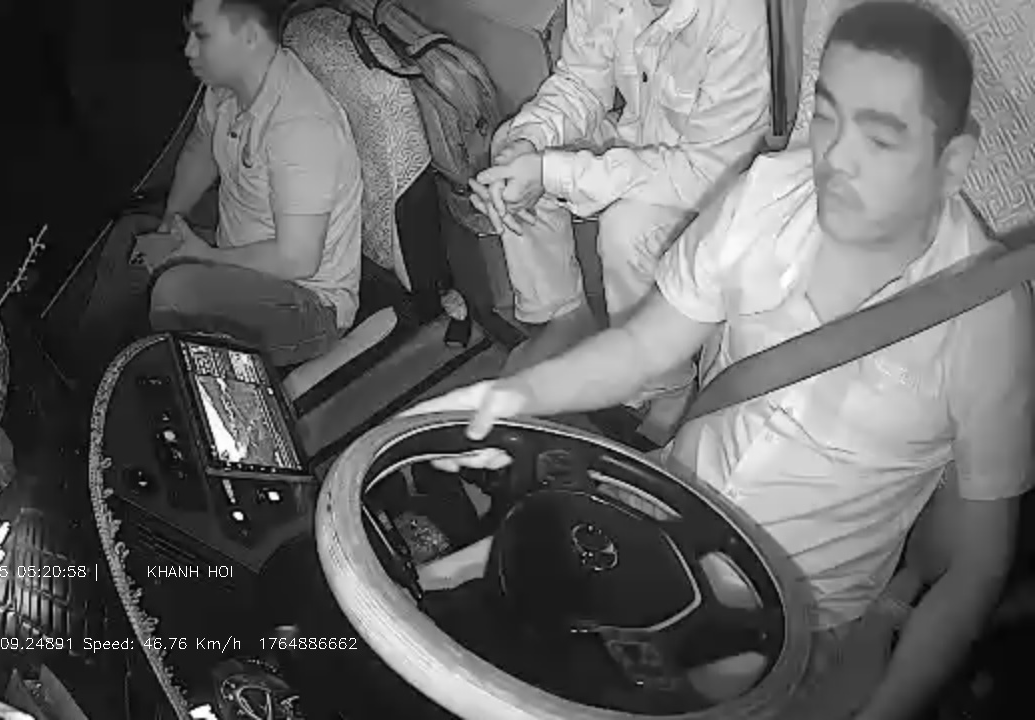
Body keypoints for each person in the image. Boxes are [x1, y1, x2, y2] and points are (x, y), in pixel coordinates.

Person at [415, 2, 1032, 717]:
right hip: (667, 506)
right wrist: (514, 398)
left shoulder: (986, 318)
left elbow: (974, 567)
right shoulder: (770, 193)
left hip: (790, 616)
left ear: (952, 162)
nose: (837, 161)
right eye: (827, 117)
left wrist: (884, 709)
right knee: (463, 620)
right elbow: (643, 345)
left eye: (881, 137)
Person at [470, 0, 773, 422]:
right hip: (642, 139)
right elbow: (580, 83)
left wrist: (552, 173)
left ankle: (667, 382)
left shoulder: (740, 18)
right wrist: (527, 145)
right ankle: (564, 317)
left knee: (628, 227)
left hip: (720, 180)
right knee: (515, 144)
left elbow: (704, 172)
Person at [78, 0, 362, 374]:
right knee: (134, 236)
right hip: (238, 251)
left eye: (202, 36)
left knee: (176, 294)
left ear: (249, 38)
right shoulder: (230, 85)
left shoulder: (301, 127)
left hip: (309, 304)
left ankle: (160, 386)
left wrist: (204, 256)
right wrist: (171, 222)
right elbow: (201, 149)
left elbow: (298, 259)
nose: (189, 50)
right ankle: (88, 373)